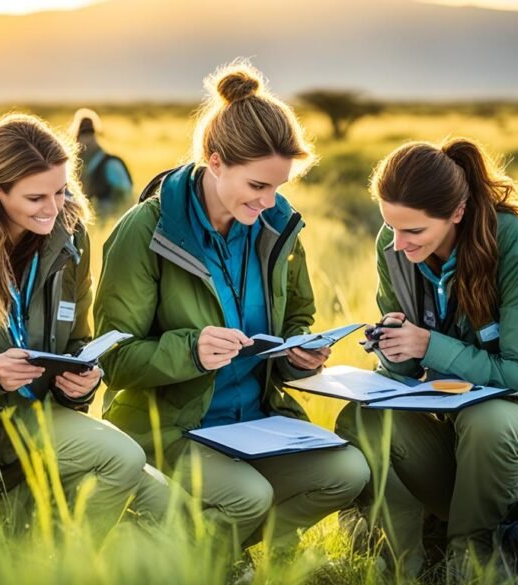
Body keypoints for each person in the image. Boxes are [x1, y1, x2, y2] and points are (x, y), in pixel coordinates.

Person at [94, 62, 370, 560]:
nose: (269, 201)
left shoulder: (278, 228)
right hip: (172, 429)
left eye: (278, 187)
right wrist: (191, 351)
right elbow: (112, 358)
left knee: (348, 473)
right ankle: (199, 560)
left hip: (260, 423)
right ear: (215, 162)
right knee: (249, 496)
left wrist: (299, 354)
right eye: (257, 186)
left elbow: (294, 323)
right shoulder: (145, 231)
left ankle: (215, 552)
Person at [0, 114, 167, 540]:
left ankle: (51, 553)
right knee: (122, 462)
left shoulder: (70, 235)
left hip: (39, 417)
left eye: (61, 191)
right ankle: (53, 560)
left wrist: (81, 378)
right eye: (37, 197)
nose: (54, 208)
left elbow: (77, 337)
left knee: (169, 509)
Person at [335, 138, 518, 576]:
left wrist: (430, 344)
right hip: (454, 432)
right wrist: (394, 350)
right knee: (366, 415)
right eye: (390, 226)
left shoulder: (514, 246)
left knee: (485, 420)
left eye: (414, 232)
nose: (398, 244)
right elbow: (406, 374)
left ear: (457, 212)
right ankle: (403, 559)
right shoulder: (393, 248)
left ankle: (470, 561)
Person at [71, 108, 133, 215]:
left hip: (111, 215)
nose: (84, 142)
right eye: (82, 137)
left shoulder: (111, 164)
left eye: (88, 137)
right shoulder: (76, 164)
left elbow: (125, 194)